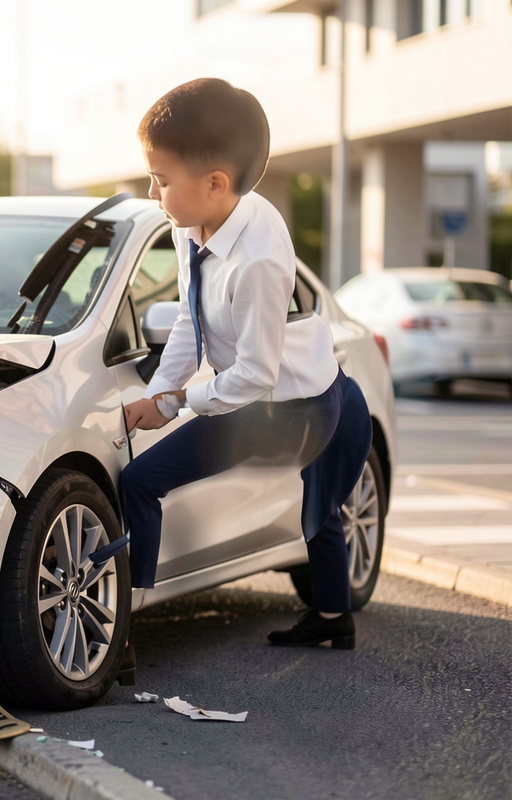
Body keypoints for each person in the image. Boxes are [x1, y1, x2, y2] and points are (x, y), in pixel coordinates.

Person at [93, 77, 372, 649]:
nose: (151, 192)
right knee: (318, 508)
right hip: (296, 384)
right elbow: (190, 319)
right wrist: (160, 392)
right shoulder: (190, 225)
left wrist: (175, 402)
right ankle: (333, 618)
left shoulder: (258, 259)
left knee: (145, 482)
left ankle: (121, 637)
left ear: (216, 183)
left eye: (161, 179)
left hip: (292, 406)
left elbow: (255, 376)